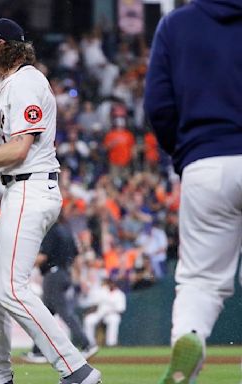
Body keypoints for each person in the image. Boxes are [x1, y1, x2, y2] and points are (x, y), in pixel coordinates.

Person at [0, 18, 101, 384]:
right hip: (18, 190)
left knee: (11, 287)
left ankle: (77, 370)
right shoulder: (9, 85)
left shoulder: (26, 81)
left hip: (31, 187)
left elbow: (19, 148)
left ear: (5, 45)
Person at [144, 1, 242, 383]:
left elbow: (158, 105)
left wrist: (185, 153)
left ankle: (190, 337)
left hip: (205, 161)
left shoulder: (176, 24)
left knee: (200, 281)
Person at [24, 214, 98, 364]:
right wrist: (80, 277)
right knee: (46, 314)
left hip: (53, 275)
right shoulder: (66, 231)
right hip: (64, 273)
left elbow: (43, 257)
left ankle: (86, 344)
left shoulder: (51, 231)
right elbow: (76, 257)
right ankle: (38, 351)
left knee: (64, 313)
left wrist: (22, 264)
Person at [83, 279, 126, 347]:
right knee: (88, 320)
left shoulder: (120, 294)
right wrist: (90, 312)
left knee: (114, 319)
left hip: (111, 314)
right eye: (110, 283)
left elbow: (121, 309)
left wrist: (109, 312)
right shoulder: (103, 291)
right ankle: (90, 343)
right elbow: (95, 303)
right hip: (100, 313)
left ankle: (111, 343)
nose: (111, 284)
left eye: (113, 283)